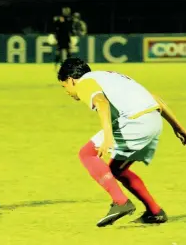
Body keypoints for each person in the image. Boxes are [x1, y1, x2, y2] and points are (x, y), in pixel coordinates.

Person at [57, 58, 186, 227]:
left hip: (136, 122)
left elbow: (102, 103)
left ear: (71, 80)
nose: (66, 91)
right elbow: (155, 99)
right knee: (117, 170)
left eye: (64, 86)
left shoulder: (84, 83)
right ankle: (155, 212)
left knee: (86, 153)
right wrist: (179, 128)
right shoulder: (110, 76)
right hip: (153, 121)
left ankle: (120, 202)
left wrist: (108, 137)